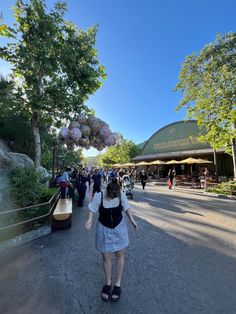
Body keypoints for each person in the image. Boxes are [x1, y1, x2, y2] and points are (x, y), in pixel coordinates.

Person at [85, 178, 138, 302]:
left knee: (120, 255)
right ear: (107, 191)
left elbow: (127, 208)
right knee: (106, 257)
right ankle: (108, 283)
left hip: (119, 229)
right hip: (104, 229)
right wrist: (89, 220)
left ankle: (118, 284)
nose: (113, 197)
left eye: (115, 196)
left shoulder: (122, 195)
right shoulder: (99, 196)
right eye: (111, 195)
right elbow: (92, 209)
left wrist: (132, 220)